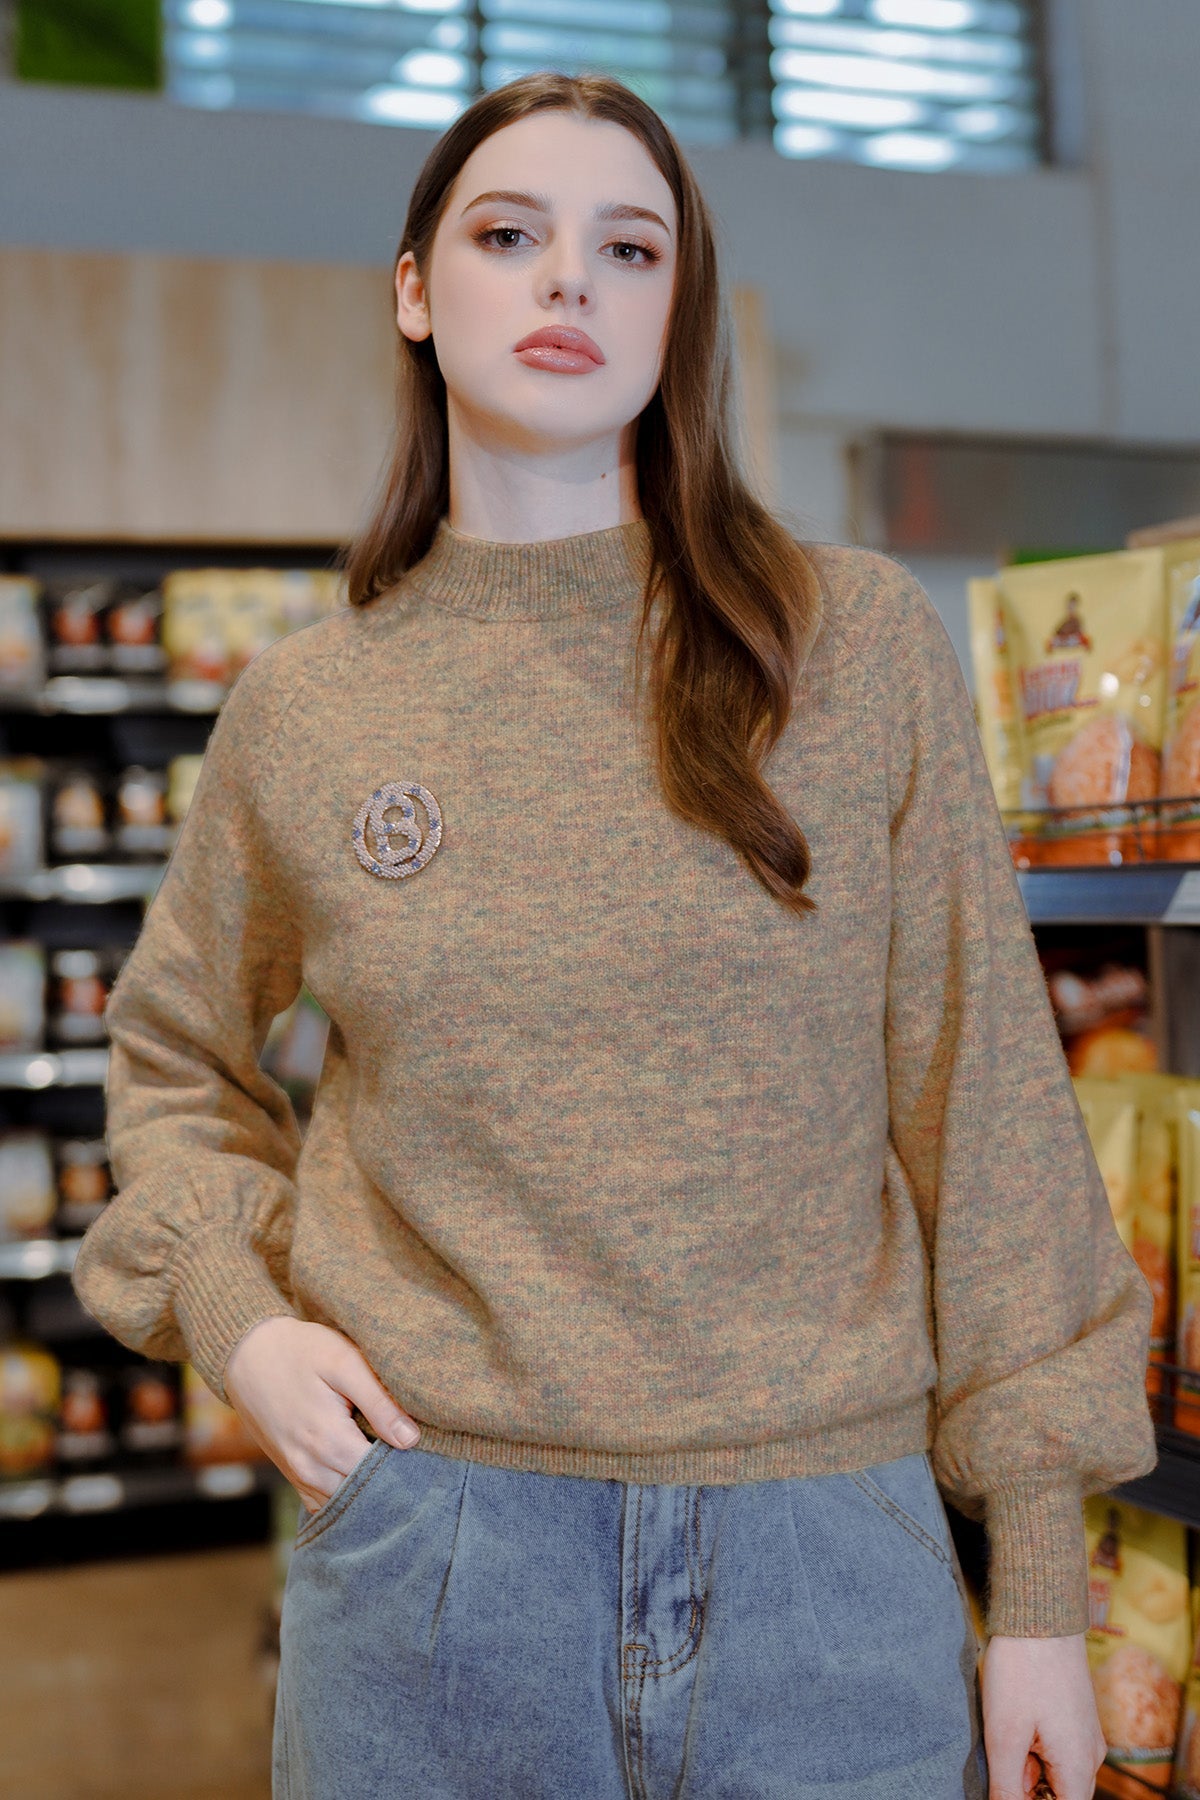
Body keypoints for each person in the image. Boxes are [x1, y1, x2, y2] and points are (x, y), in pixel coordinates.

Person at [71, 71, 1157, 1800]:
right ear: (416, 291)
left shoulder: (854, 645)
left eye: (629, 248)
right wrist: (239, 1318)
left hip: (830, 1569)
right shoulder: (309, 709)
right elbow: (173, 1058)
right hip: (433, 1562)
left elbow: (989, 1110)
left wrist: (1036, 1579)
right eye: (510, 235)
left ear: (677, 310)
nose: (570, 278)